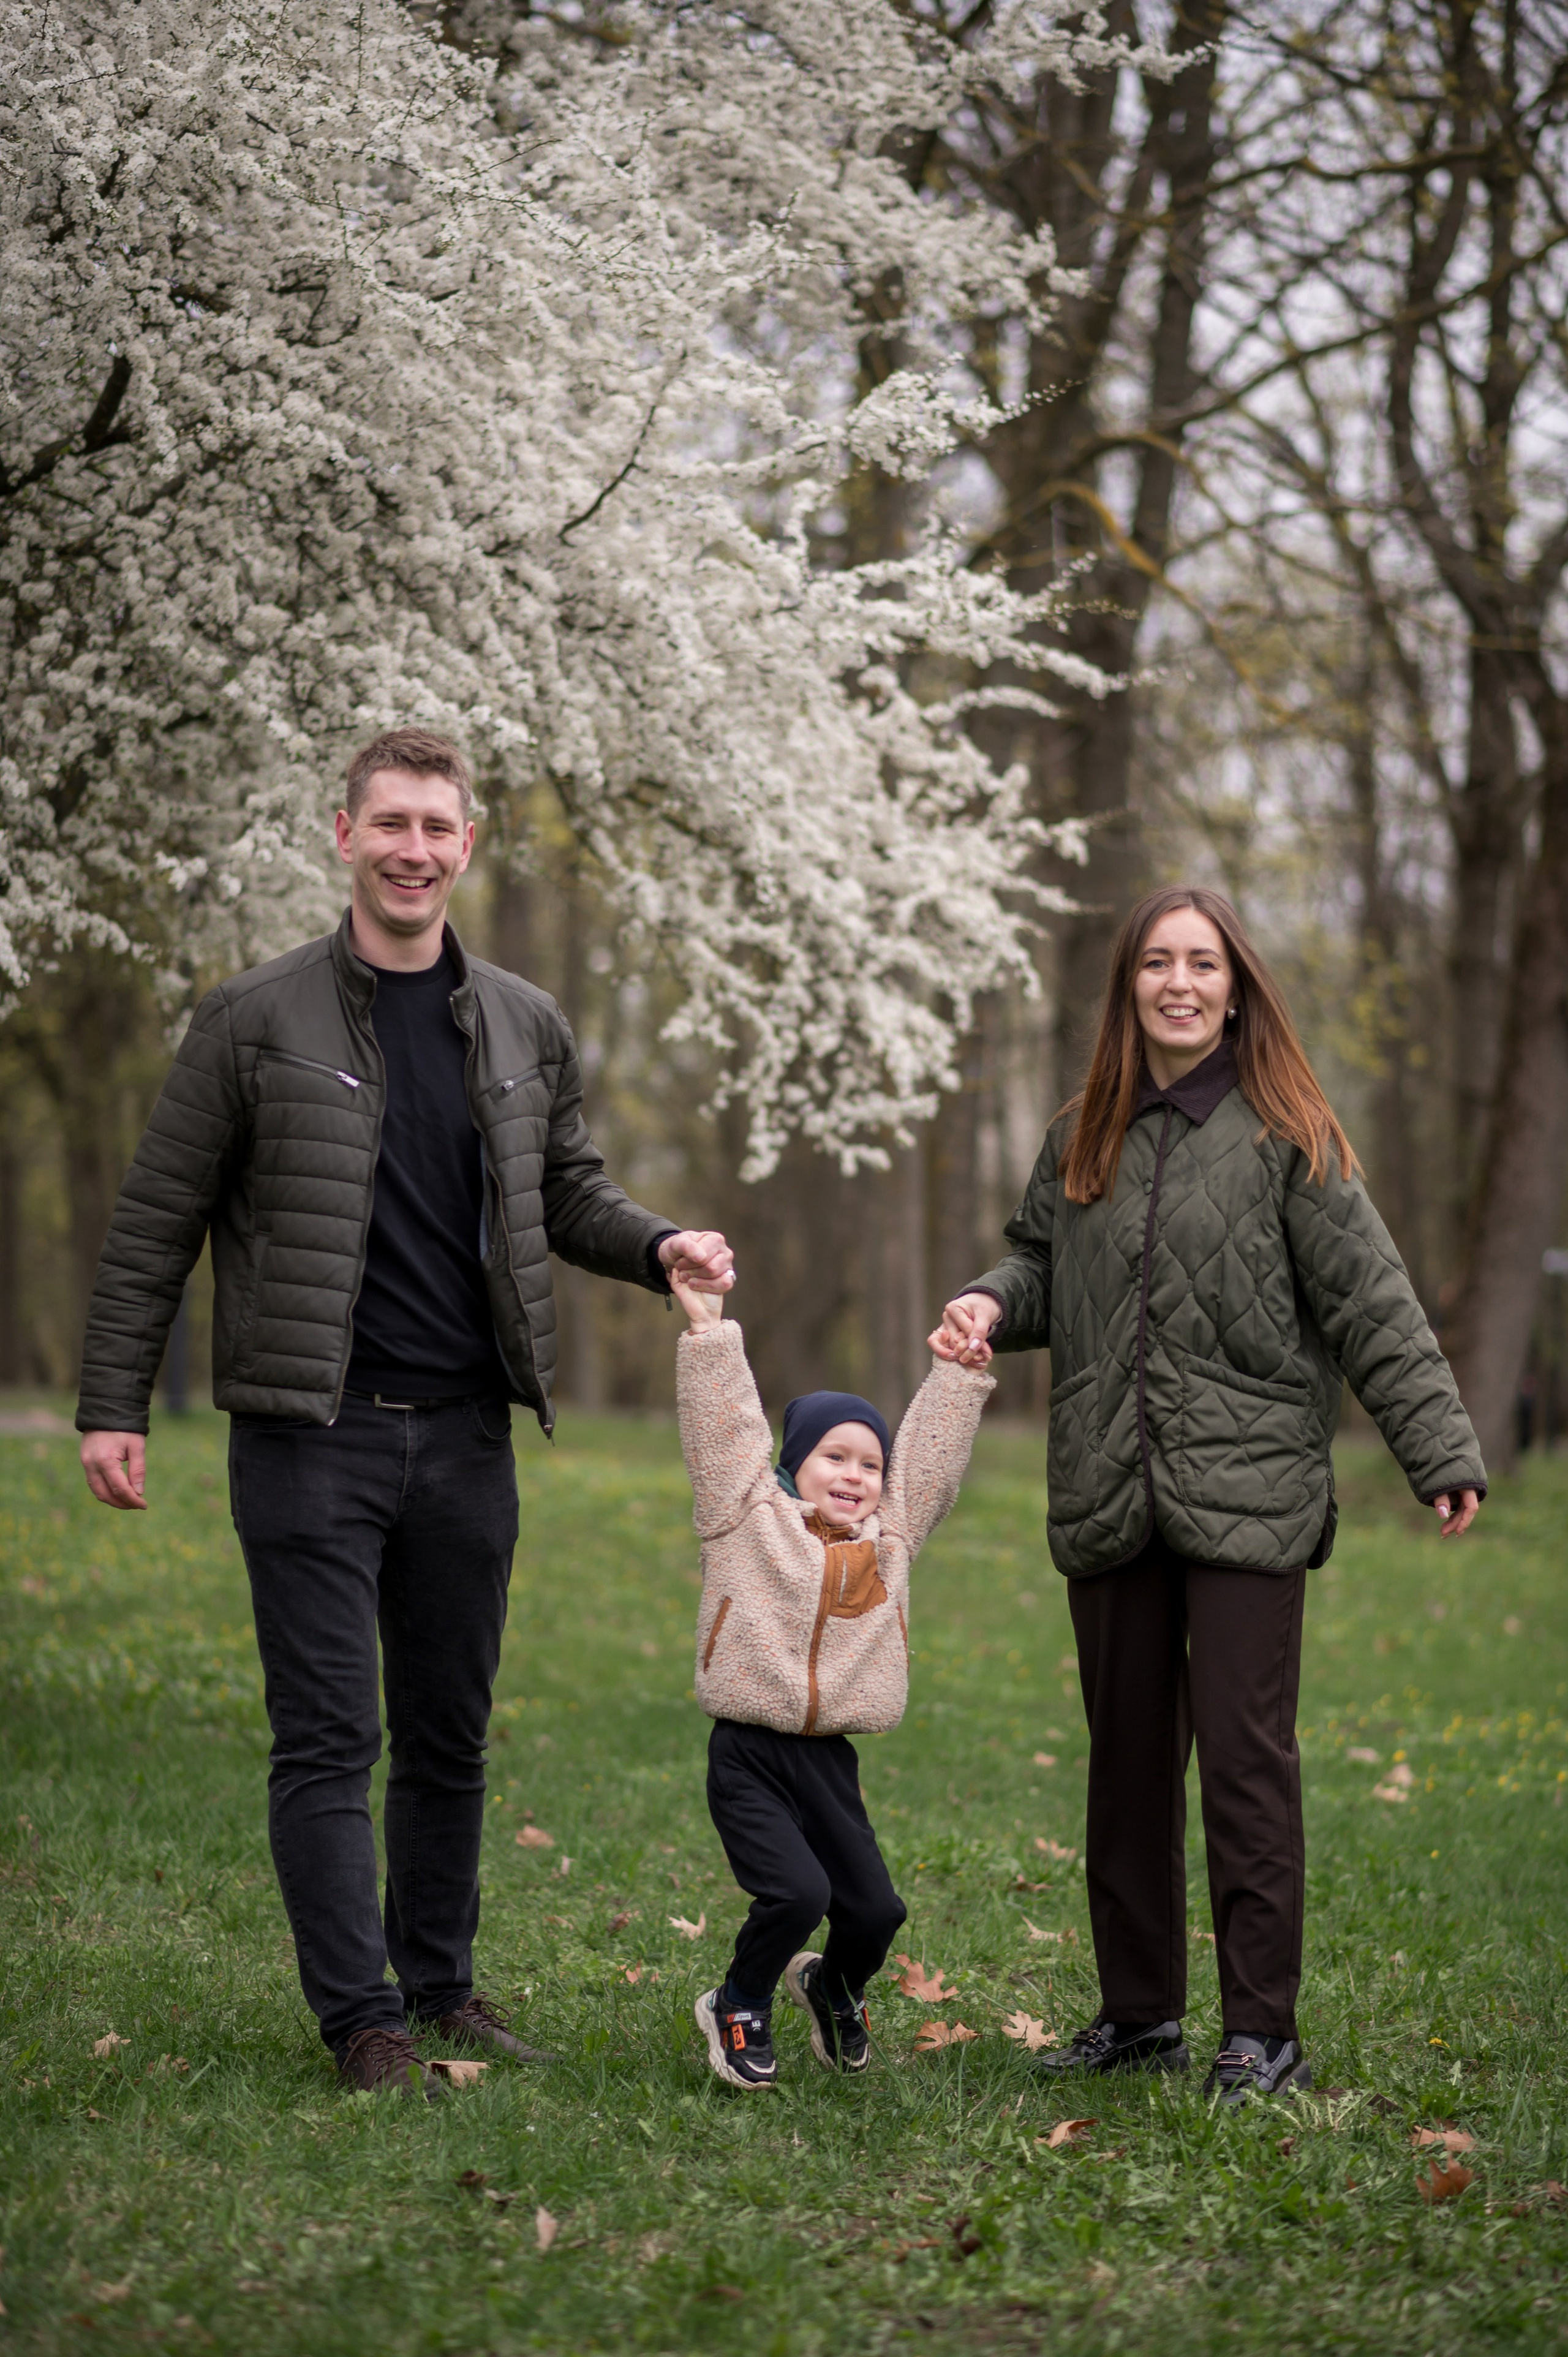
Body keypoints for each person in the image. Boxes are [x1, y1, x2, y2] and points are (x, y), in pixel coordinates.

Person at [76, 726, 736, 2098]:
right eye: (391, 823)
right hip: (308, 1433)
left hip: (465, 1436)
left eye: (438, 826)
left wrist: (660, 1242)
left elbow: (563, 1194)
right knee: (329, 1736)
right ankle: (360, 2021)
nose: (414, 849)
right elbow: (156, 1220)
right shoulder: (253, 1018)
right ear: (342, 834)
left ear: (467, 844)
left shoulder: (518, 1022)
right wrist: (111, 1401)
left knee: (448, 1733)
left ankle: (438, 1987)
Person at [934, 886, 1485, 2111]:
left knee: (1243, 1763)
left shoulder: (1285, 1128)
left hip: (1249, 1493)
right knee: (1124, 1765)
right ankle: (1136, 2016)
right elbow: (1038, 1259)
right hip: (1105, 1485)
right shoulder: (1082, 1126)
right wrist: (985, 1298)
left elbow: (1370, 1302)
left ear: (1234, 986)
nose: (1176, 983)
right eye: (1154, 963)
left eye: (1200, 964)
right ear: (1126, 984)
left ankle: (1259, 2033)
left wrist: (1436, 1445)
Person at [669, 1265, 993, 2087]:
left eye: (868, 1464)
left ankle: (832, 1985)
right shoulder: (744, 1514)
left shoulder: (892, 1536)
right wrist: (710, 1332)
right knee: (796, 1895)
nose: (854, 1474)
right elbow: (722, 1427)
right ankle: (738, 2001)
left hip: (826, 1760)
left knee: (877, 1910)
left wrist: (958, 1370)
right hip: (747, 1751)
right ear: (794, 1464)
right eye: (833, 1457)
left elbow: (931, 1461)